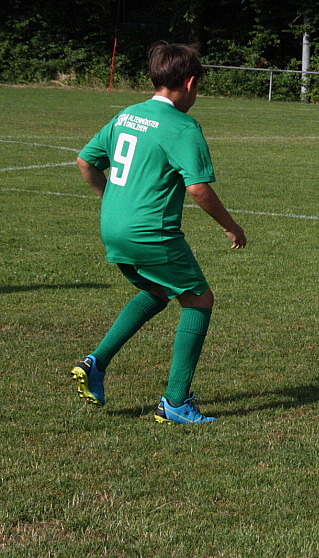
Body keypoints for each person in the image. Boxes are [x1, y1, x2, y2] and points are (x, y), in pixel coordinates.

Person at [71, 42, 246, 423]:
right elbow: (197, 188)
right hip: (151, 232)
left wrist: (111, 200)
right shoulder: (182, 126)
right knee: (199, 300)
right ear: (190, 82)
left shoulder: (128, 114)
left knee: (157, 291)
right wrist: (230, 226)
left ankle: (96, 363)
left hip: (113, 228)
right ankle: (176, 403)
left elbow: (86, 161)